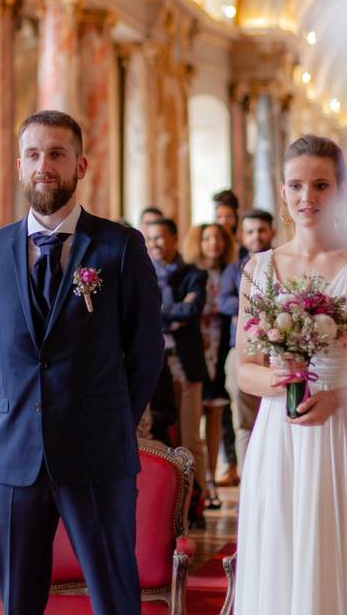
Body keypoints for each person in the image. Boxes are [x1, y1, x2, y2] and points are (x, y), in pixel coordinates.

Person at [0, 110, 163, 614]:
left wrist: (111, 416)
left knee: (115, 597)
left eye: (56, 154)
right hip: (13, 458)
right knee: (19, 602)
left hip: (96, 453)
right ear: (18, 165)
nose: (44, 165)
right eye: (33, 154)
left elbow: (144, 351)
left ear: (81, 165)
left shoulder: (120, 247)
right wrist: (16, 408)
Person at [234, 135, 347, 613]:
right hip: (283, 438)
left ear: (341, 190)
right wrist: (277, 380)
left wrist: (338, 396)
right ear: (282, 191)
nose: (306, 198)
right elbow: (243, 366)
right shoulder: (258, 269)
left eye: (320, 185)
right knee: (285, 560)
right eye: (296, 185)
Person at [146, 217, 209, 525]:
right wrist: (171, 314)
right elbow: (143, 312)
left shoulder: (193, 274)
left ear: (173, 239)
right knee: (159, 432)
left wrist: (160, 313)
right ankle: (169, 508)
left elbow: (192, 310)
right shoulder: (143, 273)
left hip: (184, 361)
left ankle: (196, 504)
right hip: (153, 360)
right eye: (150, 239)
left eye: (160, 238)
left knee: (189, 436)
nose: (155, 244)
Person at [217, 208, 275, 483]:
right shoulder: (234, 267)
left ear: (271, 231)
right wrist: (253, 310)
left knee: (275, 416)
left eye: (261, 230)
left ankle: (275, 478)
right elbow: (224, 301)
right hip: (239, 349)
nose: (256, 236)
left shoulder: (283, 262)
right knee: (243, 420)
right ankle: (249, 478)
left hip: (278, 351)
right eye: (250, 231)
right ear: (242, 234)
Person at [182, 223, 236, 509]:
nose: (213, 243)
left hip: (221, 344)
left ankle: (213, 477)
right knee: (194, 422)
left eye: (217, 238)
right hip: (196, 347)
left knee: (216, 413)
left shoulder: (231, 272)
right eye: (207, 238)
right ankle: (198, 484)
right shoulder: (191, 272)